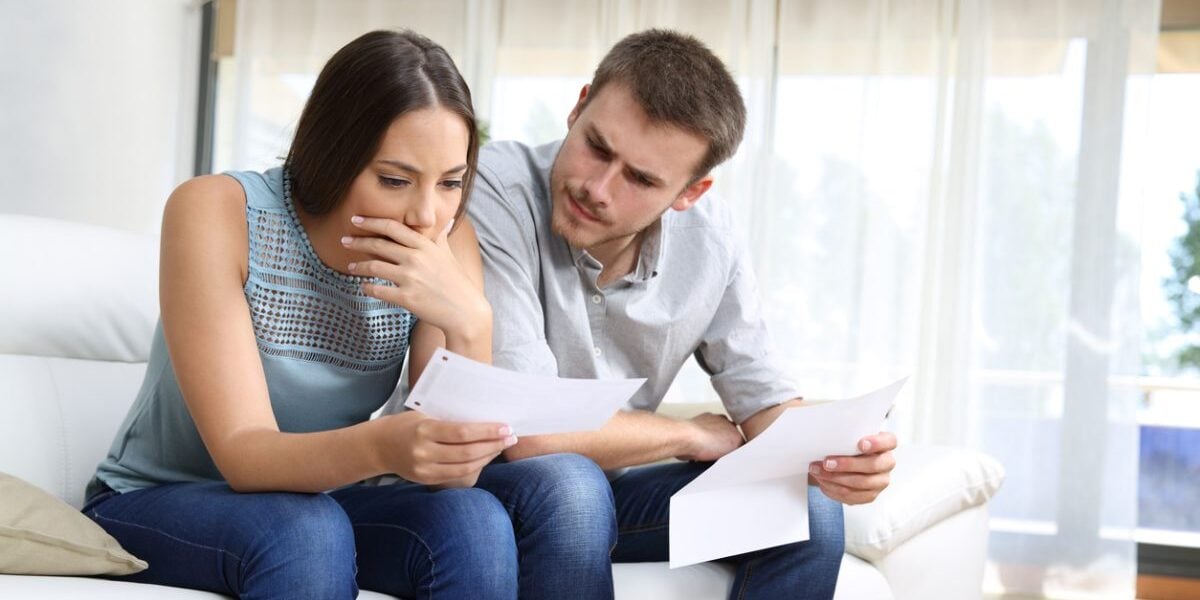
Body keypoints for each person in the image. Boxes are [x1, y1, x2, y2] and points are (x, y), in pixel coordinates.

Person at [84, 30, 615, 600]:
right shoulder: (217, 210)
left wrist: (470, 321)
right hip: (161, 497)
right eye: (394, 180)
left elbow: (457, 472)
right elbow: (244, 454)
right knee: (306, 532)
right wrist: (383, 446)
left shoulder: (448, 239)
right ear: (334, 154)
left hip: (320, 495)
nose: (426, 215)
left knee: (474, 521)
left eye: (451, 184)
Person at [468, 29, 900, 599]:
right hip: (482, 493)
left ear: (690, 192)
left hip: (605, 494)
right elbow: (530, 431)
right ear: (578, 106)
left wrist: (840, 459)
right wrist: (688, 435)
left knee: (809, 508)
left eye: (641, 179)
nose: (598, 189)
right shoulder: (494, 187)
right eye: (597, 146)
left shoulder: (710, 239)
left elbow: (763, 399)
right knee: (570, 488)